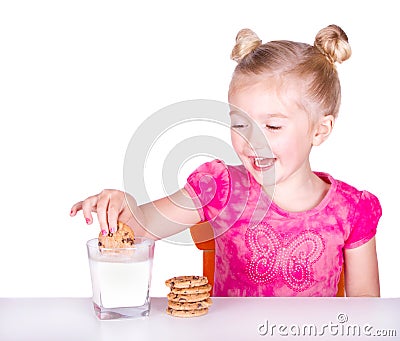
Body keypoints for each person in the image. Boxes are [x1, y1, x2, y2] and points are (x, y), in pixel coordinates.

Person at [71, 25, 382, 297]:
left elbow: (365, 302)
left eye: (272, 126)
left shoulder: (352, 210)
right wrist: (121, 207)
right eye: (240, 124)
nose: (252, 142)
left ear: (320, 129)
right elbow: (139, 230)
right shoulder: (220, 189)